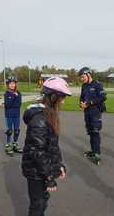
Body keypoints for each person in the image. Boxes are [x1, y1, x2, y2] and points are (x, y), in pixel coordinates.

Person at [21, 77, 71, 216]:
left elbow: (52, 145)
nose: (63, 101)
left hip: (42, 169)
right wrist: (49, 177)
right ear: (53, 97)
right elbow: (37, 152)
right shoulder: (40, 119)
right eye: (62, 97)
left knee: (43, 201)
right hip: (36, 170)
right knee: (37, 204)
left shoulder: (49, 114)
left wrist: (58, 164)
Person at [78, 67, 107, 165]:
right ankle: (93, 151)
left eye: (83, 77)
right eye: (81, 77)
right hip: (87, 112)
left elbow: (103, 97)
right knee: (90, 132)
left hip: (95, 112)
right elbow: (82, 97)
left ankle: (97, 154)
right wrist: (81, 103)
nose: (82, 79)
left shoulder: (97, 84)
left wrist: (89, 103)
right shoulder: (84, 86)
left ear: (88, 75)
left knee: (95, 132)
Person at [4, 76, 22, 156]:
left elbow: (19, 104)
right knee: (10, 130)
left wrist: (14, 98)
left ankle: (15, 143)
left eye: (13, 83)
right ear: (8, 85)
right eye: (10, 84)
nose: (12, 85)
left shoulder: (19, 93)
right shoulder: (6, 94)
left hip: (16, 114)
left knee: (17, 130)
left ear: (15, 84)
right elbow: (7, 105)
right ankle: (8, 144)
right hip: (9, 115)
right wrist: (14, 96)